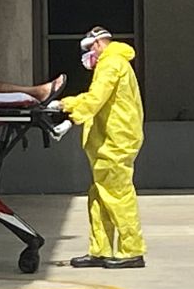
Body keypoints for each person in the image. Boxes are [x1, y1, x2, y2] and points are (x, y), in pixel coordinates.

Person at [50, 26, 147, 269]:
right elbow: (95, 98)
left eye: (89, 48)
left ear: (99, 44)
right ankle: (100, 250)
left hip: (115, 140)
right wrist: (65, 104)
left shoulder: (111, 63)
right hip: (108, 140)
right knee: (100, 195)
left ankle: (131, 251)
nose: (88, 54)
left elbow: (96, 97)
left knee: (117, 195)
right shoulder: (115, 63)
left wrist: (70, 118)